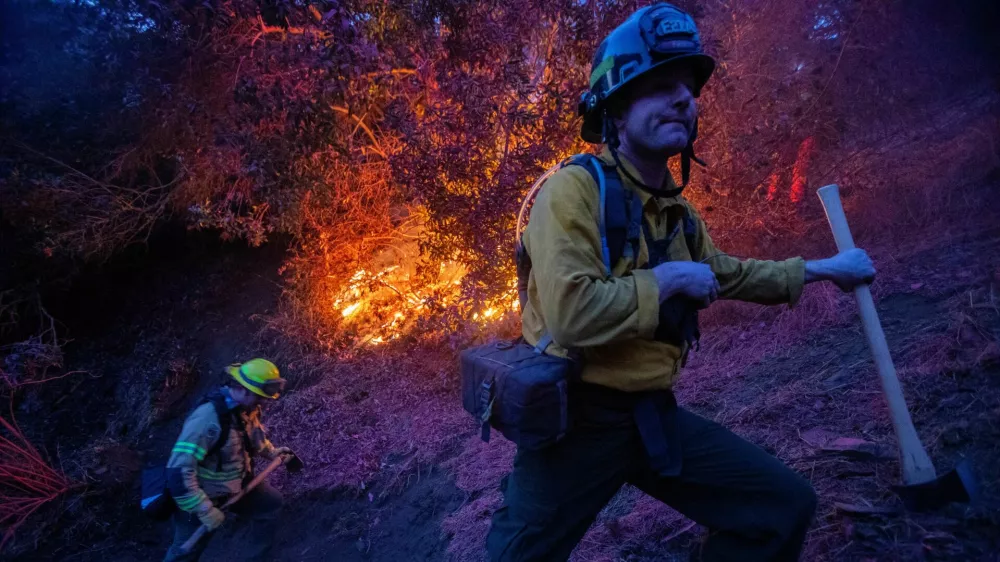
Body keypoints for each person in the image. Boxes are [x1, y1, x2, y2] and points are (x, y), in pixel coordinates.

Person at [486, 4, 876, 561]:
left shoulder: (677, 214)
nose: (683, 99)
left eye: (688, 90)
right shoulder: (570, 193)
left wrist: (824, 271)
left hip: (650, 415)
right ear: (616, 111)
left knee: (781, 509)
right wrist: (667, 279)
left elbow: (729, 273)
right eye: (659, 86)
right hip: (574, 426)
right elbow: (572, 317)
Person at [163, 358, 293, 562]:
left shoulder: (247, 408)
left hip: (237, 486)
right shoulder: (207, 419)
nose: (264, 401)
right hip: (202, 497)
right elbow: (178, 472)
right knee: (184, 553)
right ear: (243, 389)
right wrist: (204, 509)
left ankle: (256, 557)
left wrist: (272, 452)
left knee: (270, 504)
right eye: (260, 396)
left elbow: (254, 437)